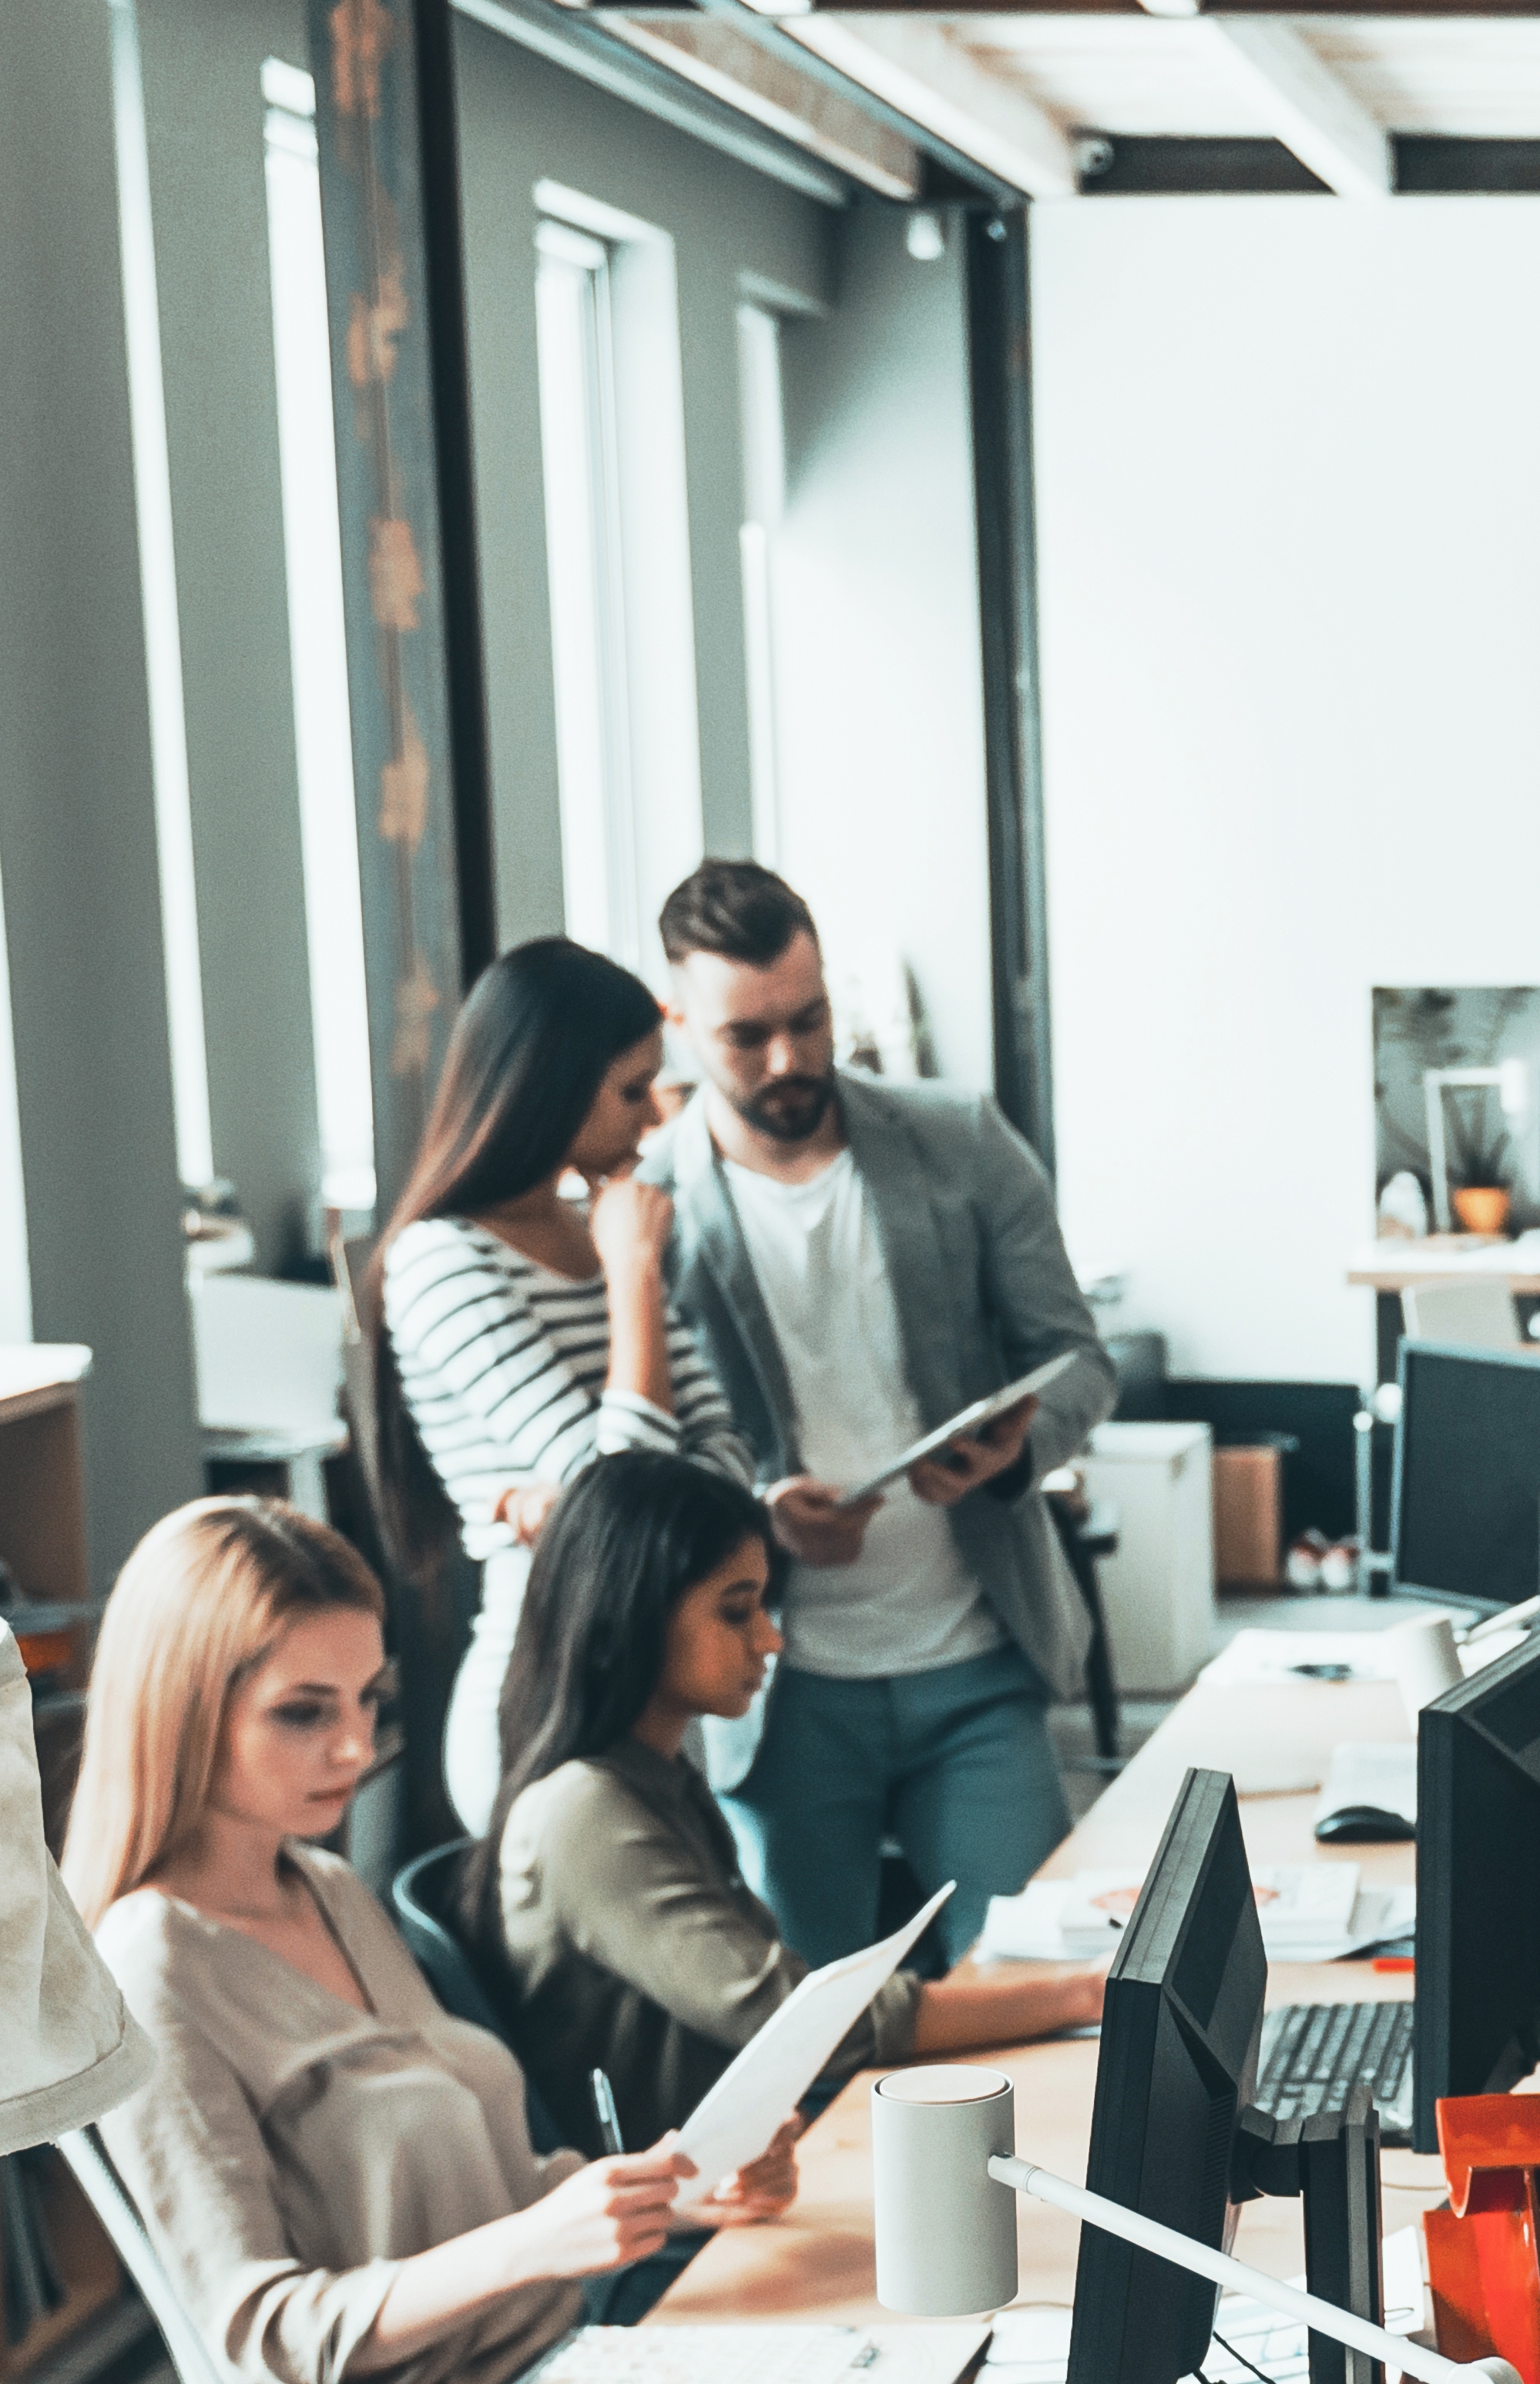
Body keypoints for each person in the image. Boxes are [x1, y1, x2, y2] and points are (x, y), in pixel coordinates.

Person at [63, 1498, 795, 2384]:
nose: (357, 1748)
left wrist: (679, 2187)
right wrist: (537, 2244)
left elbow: (498, 2189)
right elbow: (270, 2347)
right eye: (303, 1713)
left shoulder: (324, 1886)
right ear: (181, 1710)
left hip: (573, 2371)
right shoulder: (152, 1969)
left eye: (368, 1699)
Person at [643, 858, 1116, 1966]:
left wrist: (1011, 1456)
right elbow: (645, 1470)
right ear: (678, 1022)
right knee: (813, 2025)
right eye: (747, 1035)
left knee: (1033, 1984)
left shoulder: (959, 1140)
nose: (789, 1059)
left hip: (977, 1661)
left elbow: (1077, 1361)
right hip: (776, 1692)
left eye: (809, 1021)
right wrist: (757, 1519)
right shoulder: (647, 1211)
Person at [478, 1452, 1111, 2141]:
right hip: (696, 2187)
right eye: (736, 1611)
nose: (771, 1638)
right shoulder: (584, 1812)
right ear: (630, 1615)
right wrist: (1085, 1993)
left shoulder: (657, 1779)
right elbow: (799, 2025)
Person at [341, 936, 753, 1836]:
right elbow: (628, 1500)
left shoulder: (595, 1228)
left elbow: (725, 1468)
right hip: (541, 1697)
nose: (651, 1122)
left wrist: (588, 1501)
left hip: (650, 1697)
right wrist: (633, 1275)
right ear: (553, 1086)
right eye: (632, 1091)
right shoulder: (442, 1260)